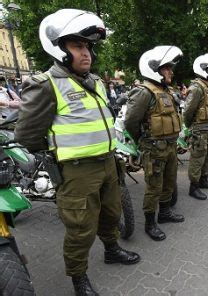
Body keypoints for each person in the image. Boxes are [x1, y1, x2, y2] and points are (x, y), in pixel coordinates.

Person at [14, 9, 140, 295]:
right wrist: (58, 154)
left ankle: (111, 249)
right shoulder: (46, 84)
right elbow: (27, 134)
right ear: (60, 50)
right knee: (80, 229)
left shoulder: (95, 82)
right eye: (78, 46)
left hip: (108, 163)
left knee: (111, 214)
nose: (87, 54)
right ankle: (78, 278)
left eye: (88, 47)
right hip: (77, 172)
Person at [124, 46, 185, 241]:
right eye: (166, 68)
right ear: (155, 69)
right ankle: (150, 223)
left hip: (170, 147)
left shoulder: (166, 91)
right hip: (154, 149)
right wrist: (142, 141)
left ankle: (165, 213)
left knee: (169, 182)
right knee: (153, 187)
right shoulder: (144, 92)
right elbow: (131, 122)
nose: (171, 72)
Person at [184, 53, 208, 200]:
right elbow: (188, 111)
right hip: (200, 130)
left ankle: (204, 179)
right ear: (203, 70)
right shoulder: (196, 88)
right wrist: (191, 127)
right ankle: (193, 187)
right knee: (197, 158)